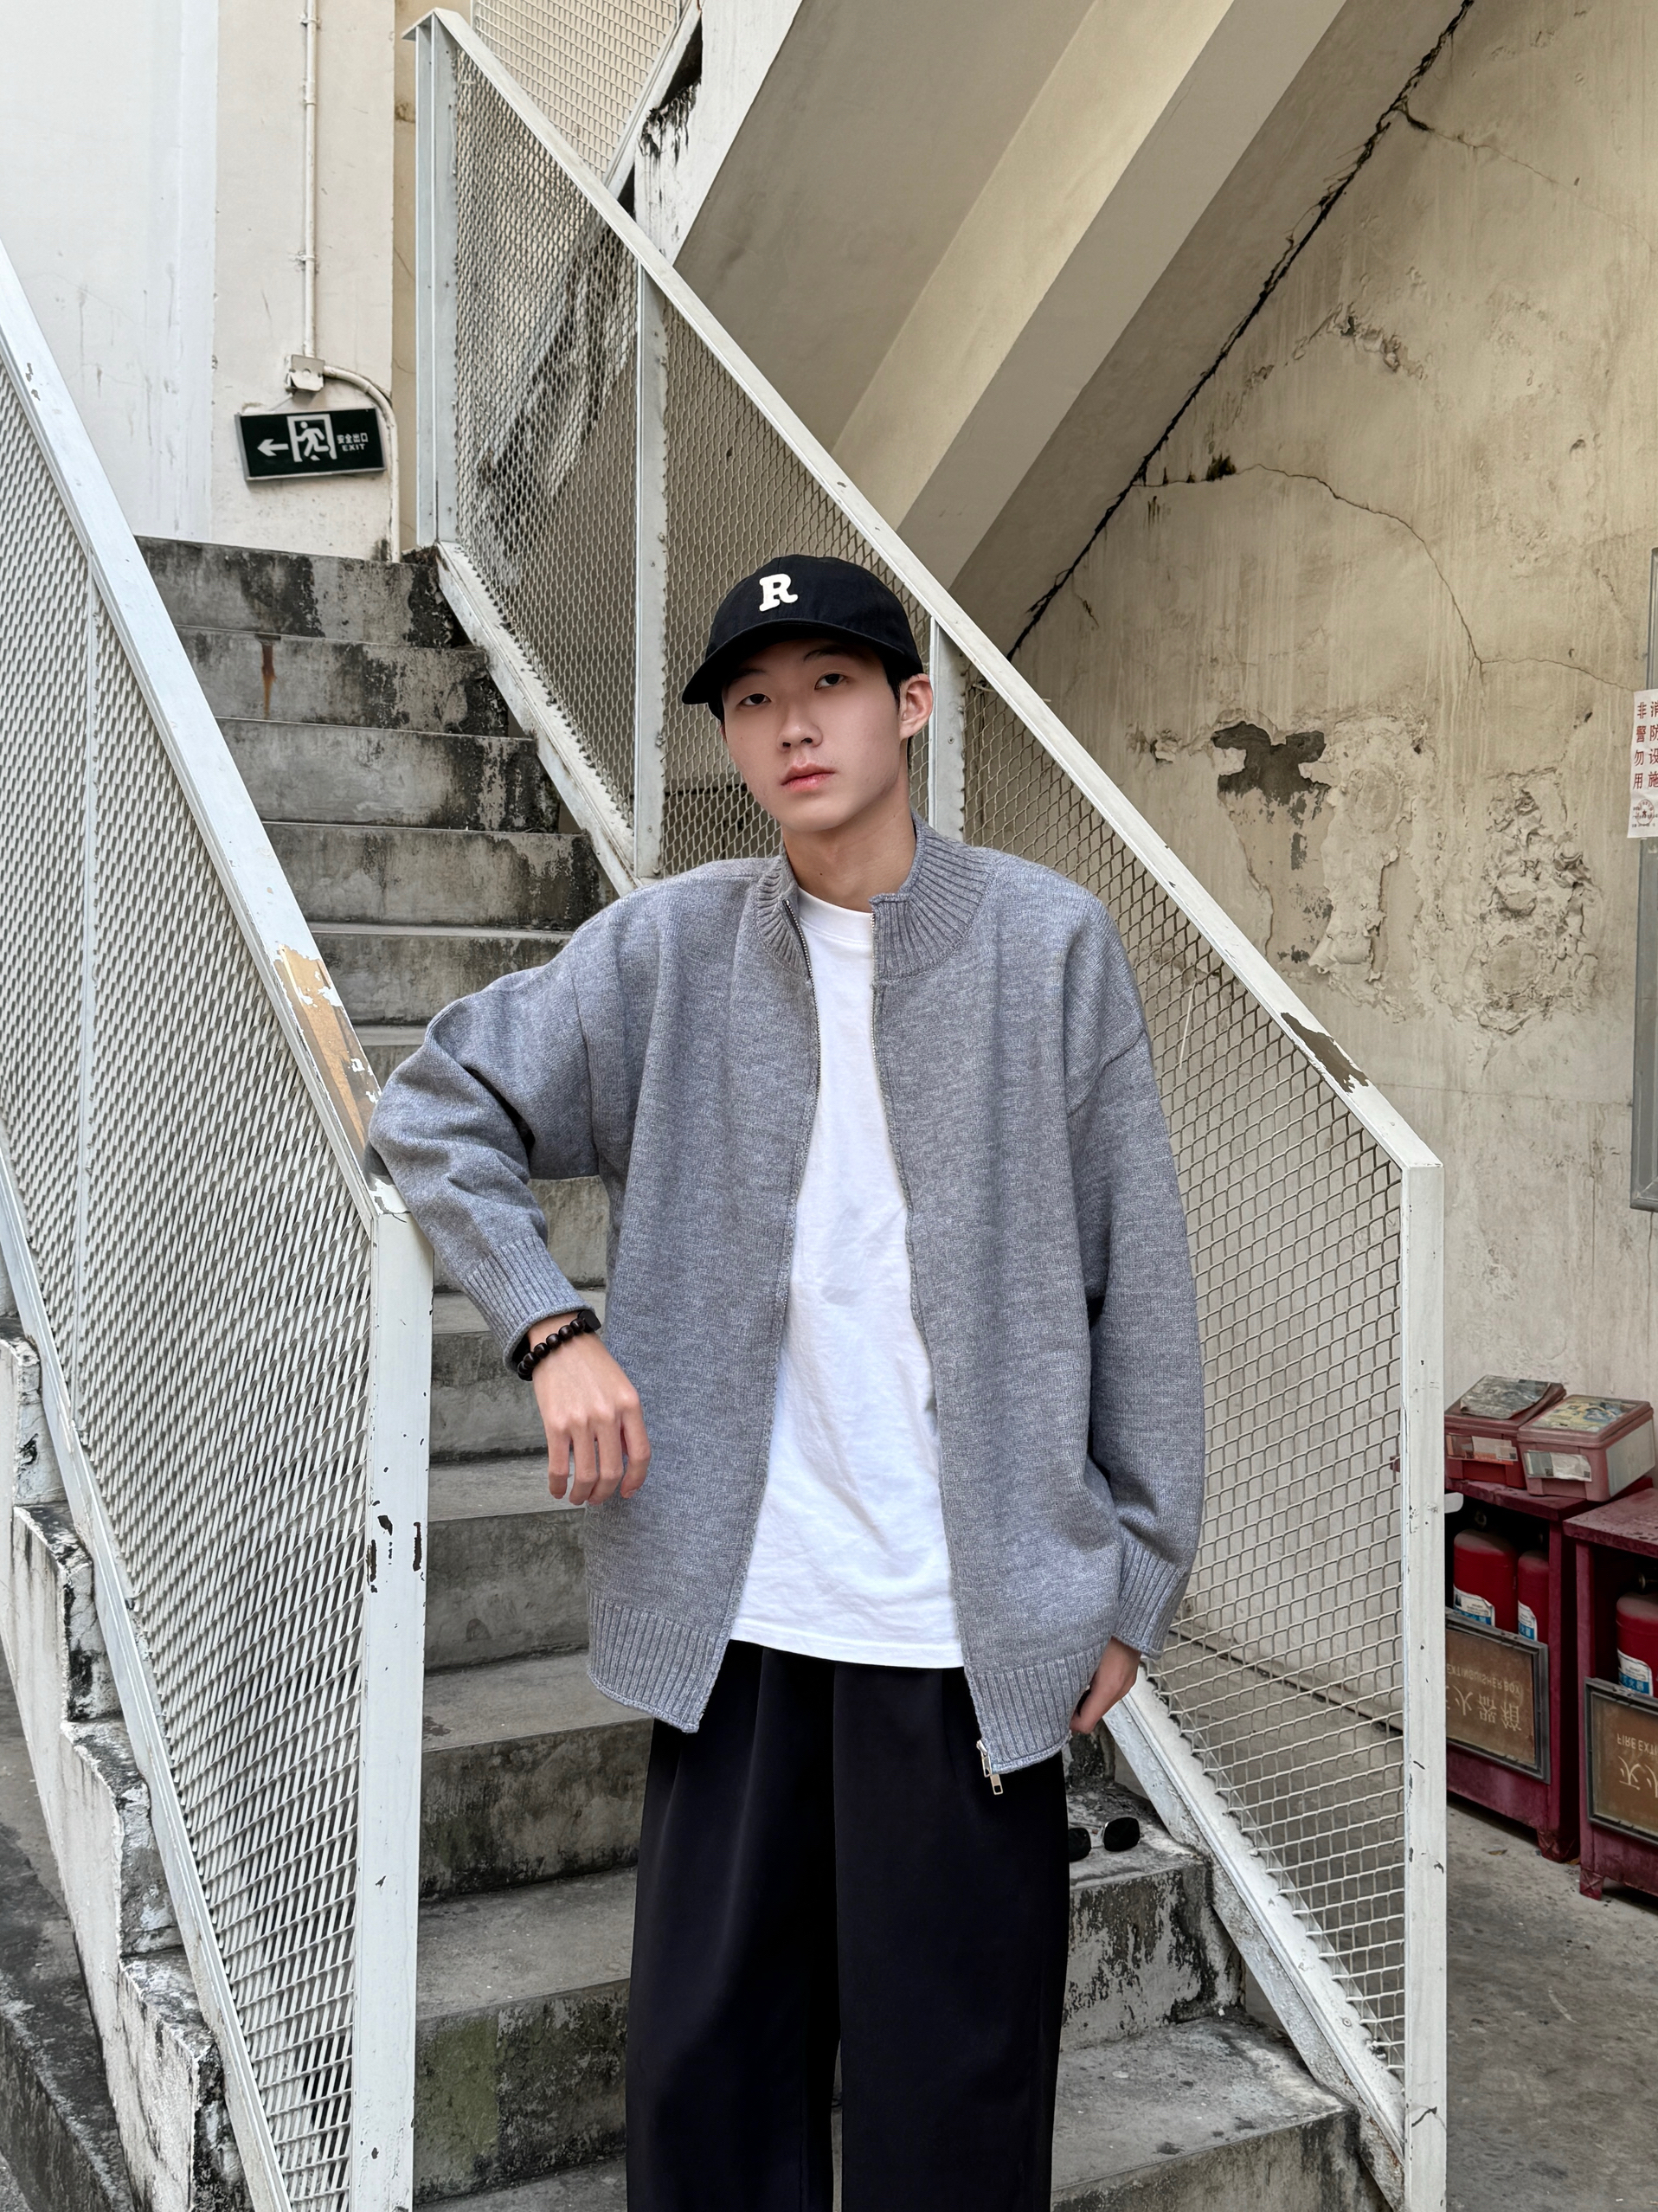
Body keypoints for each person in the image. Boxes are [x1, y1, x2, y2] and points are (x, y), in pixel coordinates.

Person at [368, 554, 1205, 2212]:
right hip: (740, 1621)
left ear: (911, 705)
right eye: (753, 701)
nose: (791, 726)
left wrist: (1137, 1580)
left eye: (828, 685)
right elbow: (434, 1105)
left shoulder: (1046, 944)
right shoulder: (672, 949)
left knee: (953, 2121)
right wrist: (551, 1327)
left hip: (960, 1638)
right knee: (706, 2104)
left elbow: (1143, 1280)